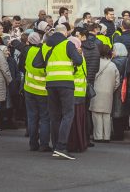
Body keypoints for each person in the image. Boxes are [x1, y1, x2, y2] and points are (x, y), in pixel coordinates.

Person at [39, 23, 84, 160]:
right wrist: (78, 55)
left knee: (54, 116)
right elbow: (78, 61)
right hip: (65, 83)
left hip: (50, 83)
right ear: (65, 33)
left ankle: (55, 146)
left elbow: (37, 63)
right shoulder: (67, 44)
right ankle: (61, 146)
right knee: (68, 114)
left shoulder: (46, 45)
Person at [23, 32, 51, 152]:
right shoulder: (46, 52)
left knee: (32, 117)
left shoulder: (29, 51)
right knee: (45, 118)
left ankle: (33, 144)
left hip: (29, 89)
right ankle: (44, 145)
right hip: (43, 91)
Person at [91, 44, 119, 142]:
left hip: (95, 91)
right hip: (108, 92)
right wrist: (111, 89)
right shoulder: (112, 65)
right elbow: (117, 82)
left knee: (96, 114)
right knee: (107, 115)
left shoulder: (95, 63)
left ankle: (98, 136)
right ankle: (106, 136)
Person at [66, 36, 90, 153]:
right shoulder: (82, 56)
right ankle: (81, 143)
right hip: (81, 91)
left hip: (74, 91)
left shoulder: (74, 58)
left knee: (73, 121)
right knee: (79, 120)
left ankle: (73, 144)